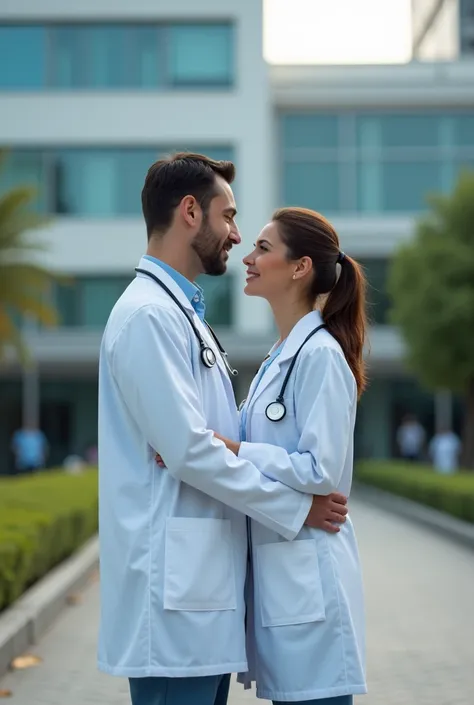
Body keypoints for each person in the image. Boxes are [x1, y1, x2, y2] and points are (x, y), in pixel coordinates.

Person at [97, 153, 348, 705]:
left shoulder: (183, 315)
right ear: (191, 212)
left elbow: (214, 442)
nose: (236, 236)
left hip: (202, 595)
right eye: (228, 217)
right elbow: (190, 452)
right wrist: (296, 509)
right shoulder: (149, 317)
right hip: (174, 602)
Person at [213, 208, 368, 704]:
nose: (248, 257)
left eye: (262, 248)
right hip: (286, 589)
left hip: (312, 588)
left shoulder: (320, 355)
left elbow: (321, 471)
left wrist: (238, 449)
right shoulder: (280, 357)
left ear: (300, 267)